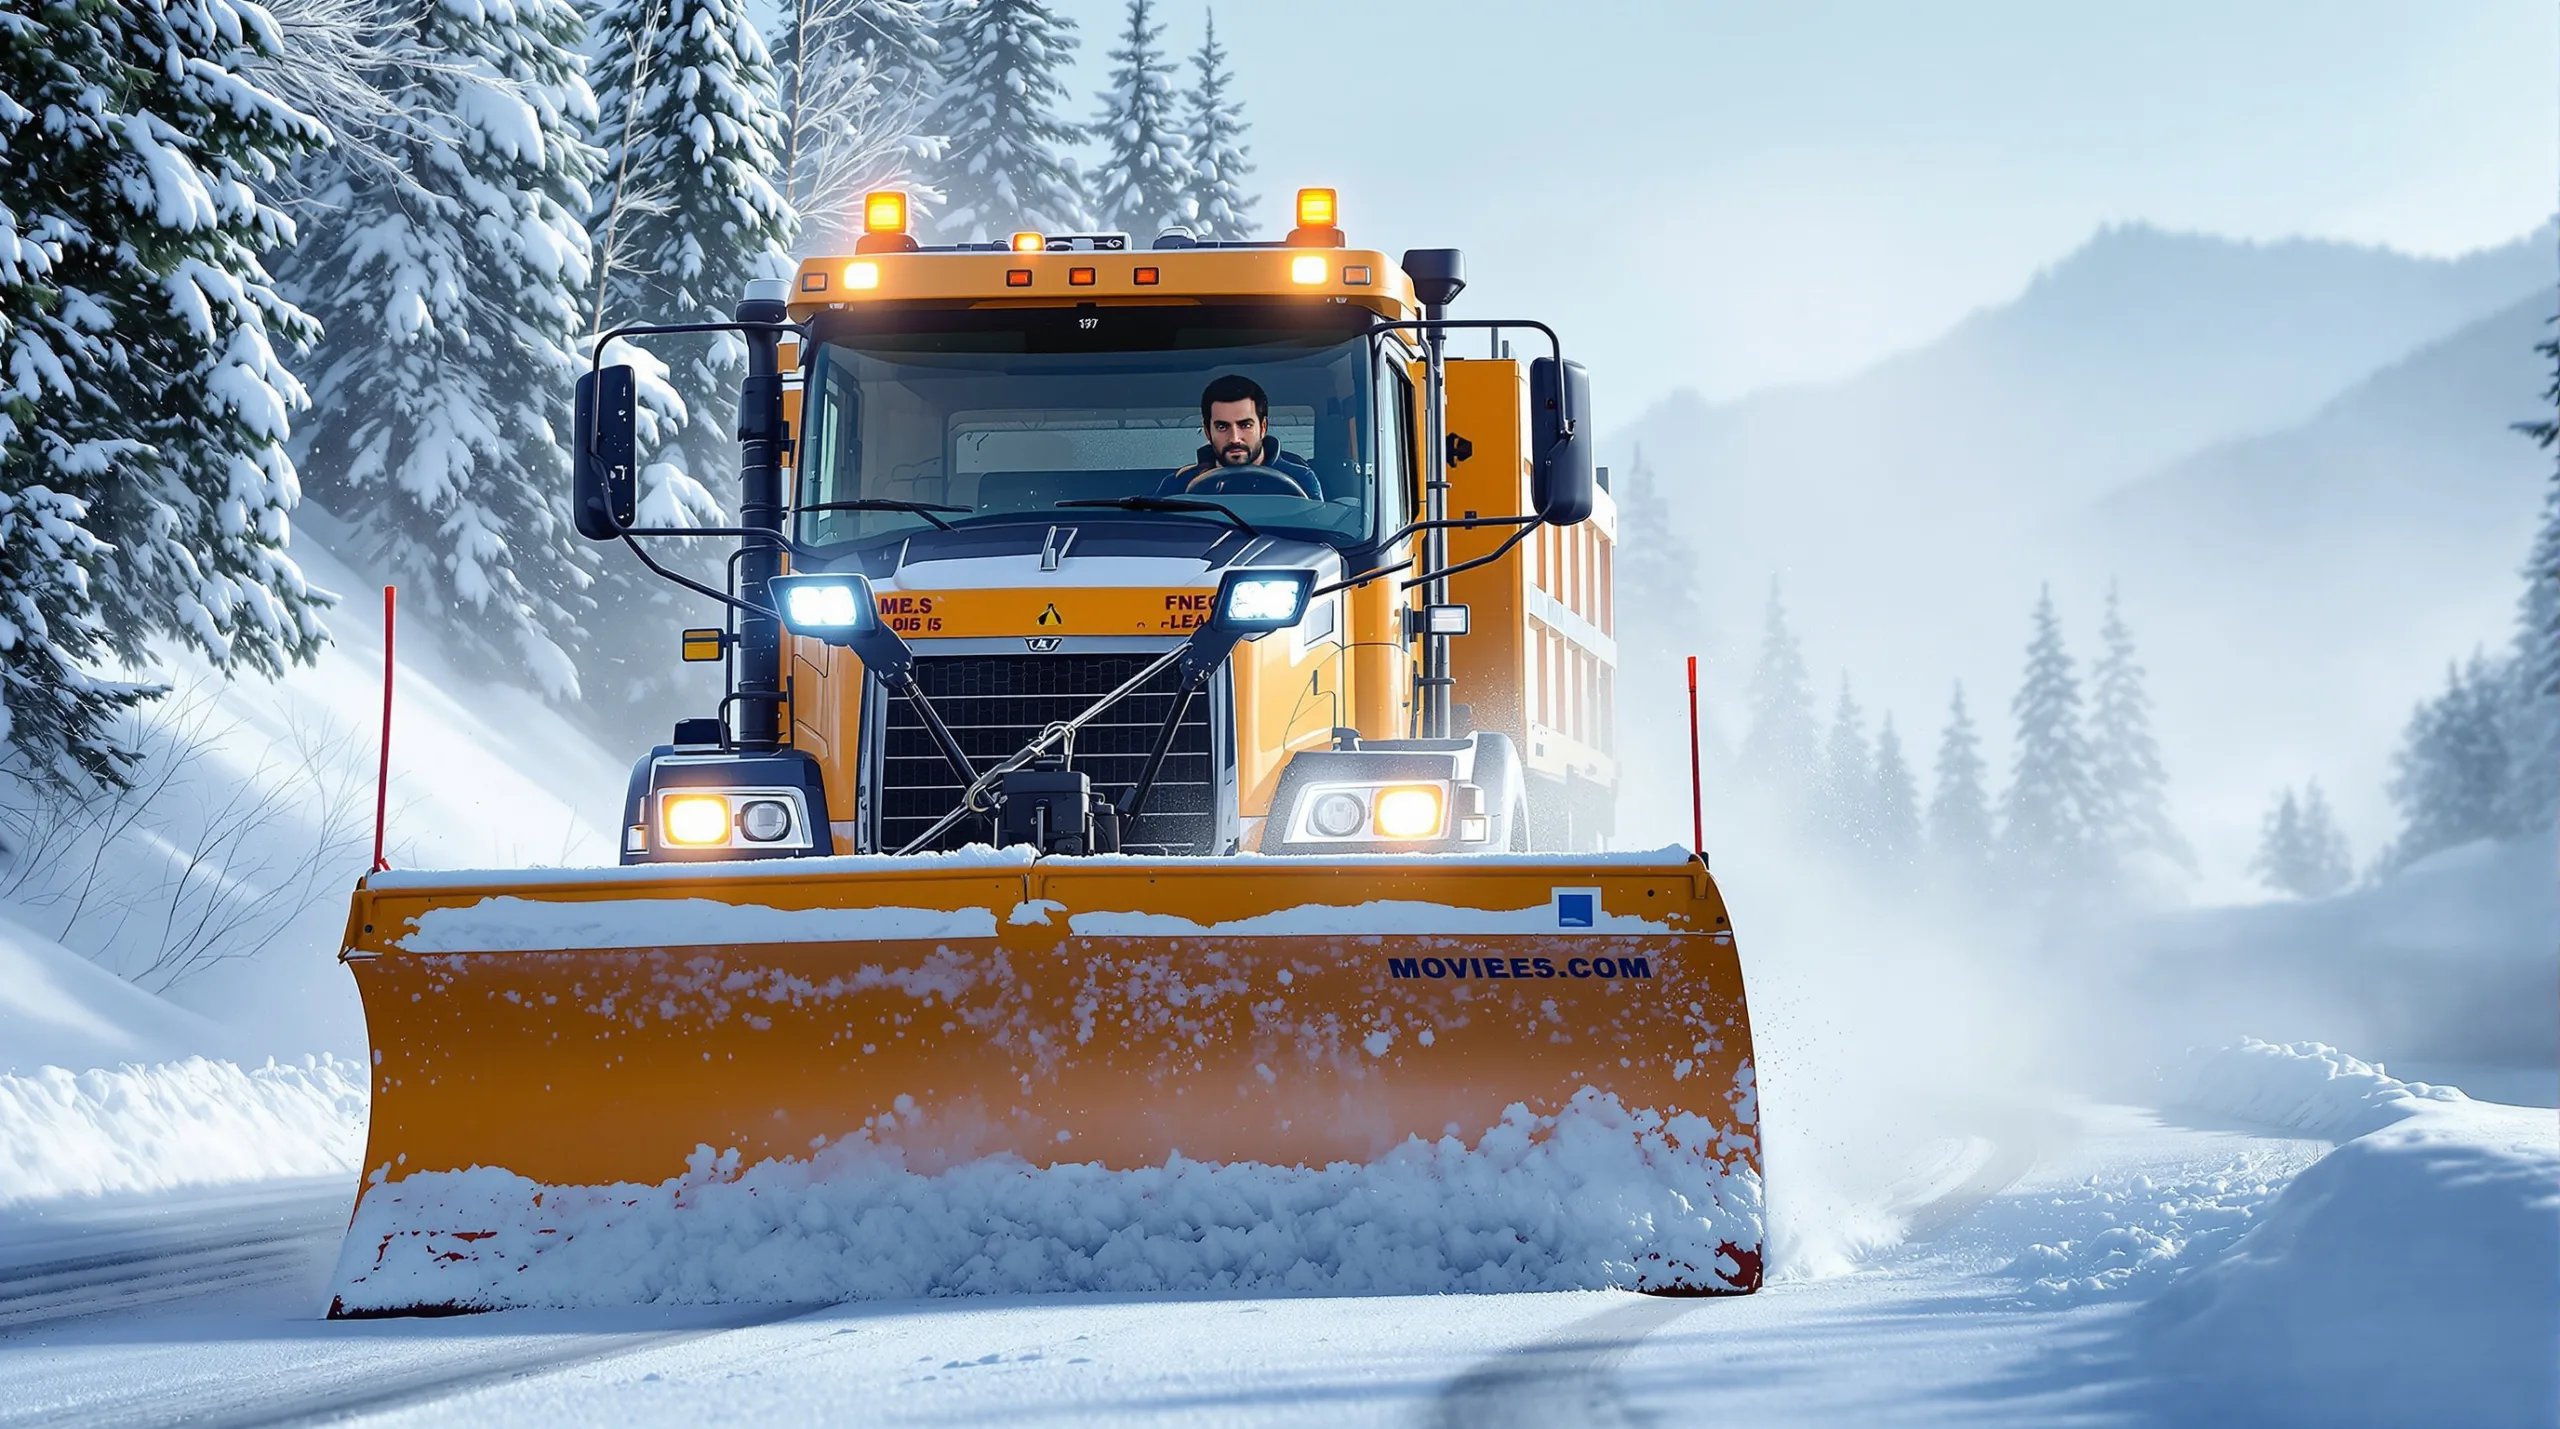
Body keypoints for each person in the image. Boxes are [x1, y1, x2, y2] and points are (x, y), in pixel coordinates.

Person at [1158, 374, 1322, 500]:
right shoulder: (1179, 484)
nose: (1235, 438)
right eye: (1222, 427)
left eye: (1245, 425)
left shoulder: (1300, 479)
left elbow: (1318, 535)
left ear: (1263, 427)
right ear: (1207, 432)